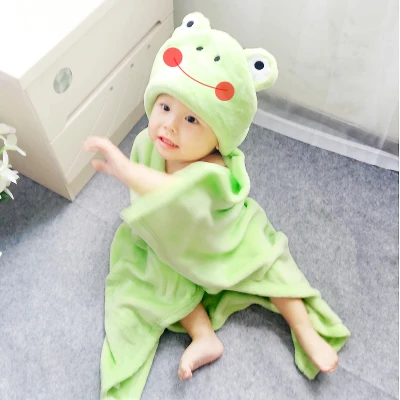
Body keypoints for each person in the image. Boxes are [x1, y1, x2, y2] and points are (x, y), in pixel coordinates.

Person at [84, 12, 350, 400]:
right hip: (173, 242)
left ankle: (304, 329)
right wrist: (135, 175)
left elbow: (169, 189)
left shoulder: (214, 169)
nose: (169, 126)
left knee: (271, 265)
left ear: (218, 138)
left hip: (222, 238)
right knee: (159, 279)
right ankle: (204, 336)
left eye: (192, 118)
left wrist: (127, 171)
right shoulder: (149, 144)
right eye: (164, 107)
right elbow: (153, 198)